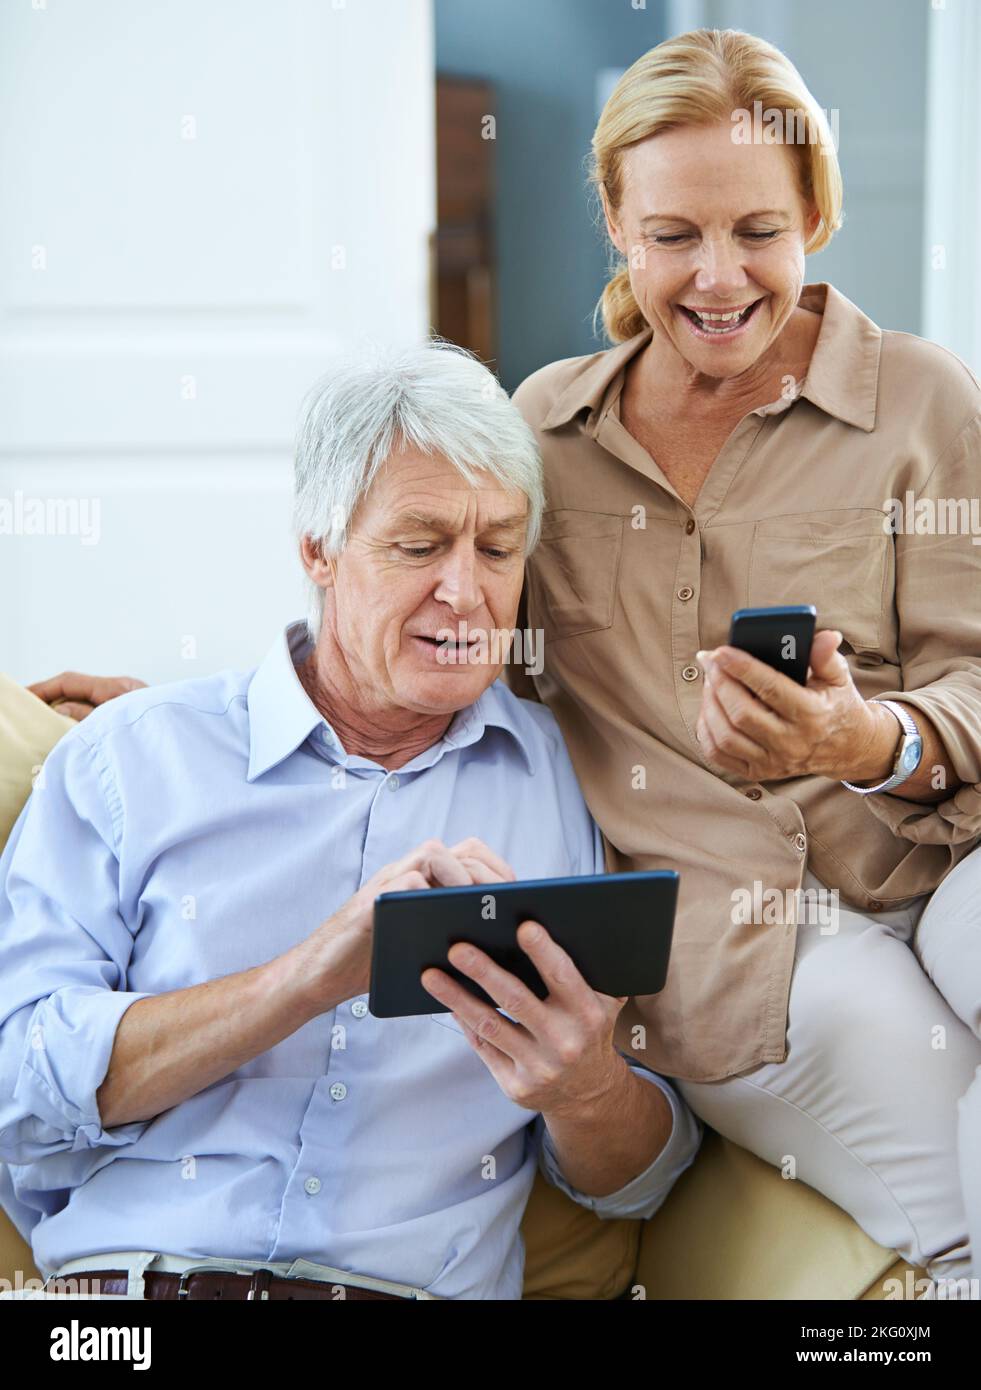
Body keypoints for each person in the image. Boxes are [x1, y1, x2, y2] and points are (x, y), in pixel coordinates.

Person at [0, 341, 701, 1302]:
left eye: (497, 549)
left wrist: (582, 1090)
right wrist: (315, 971)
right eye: (418, 546)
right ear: (317, 551)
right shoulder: (131, 759)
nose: (465, 592)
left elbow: (641, 1183)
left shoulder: (582, 783)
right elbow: (21, 1091)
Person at [507, 28, 981, 1291]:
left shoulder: (925, 402)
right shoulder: (544, 436)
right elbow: (439, 641)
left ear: (815, 214)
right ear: (615, 220)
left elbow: (977, 675)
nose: (719, 279)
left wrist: (865, 739)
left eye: (757, 230)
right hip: (744, 944)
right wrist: (254, 693)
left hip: (949, 855)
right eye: (674, 236)